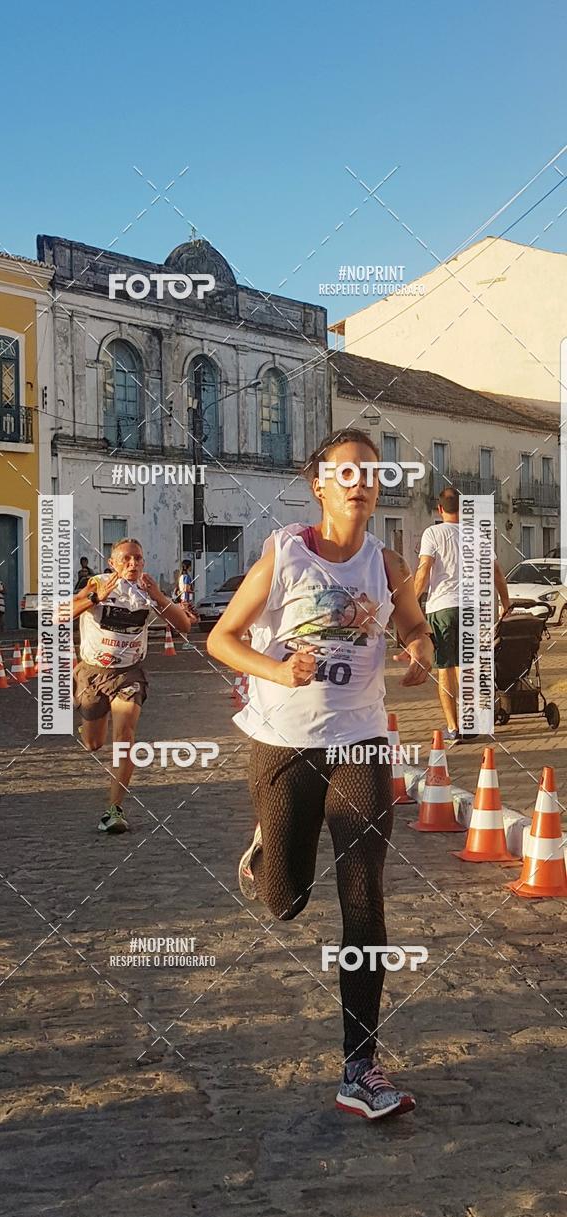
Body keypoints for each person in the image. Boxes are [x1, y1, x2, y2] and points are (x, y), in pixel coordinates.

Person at [207, 428, 434, 1121]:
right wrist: (279, 669)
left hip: (361, 740)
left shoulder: (387, 563)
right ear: (319, 483)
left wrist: (420, 652)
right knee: (286, 900)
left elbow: (416, 626)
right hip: (283, 741)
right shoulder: (285, 554)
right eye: (346, 471)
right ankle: (269, 845)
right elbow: (222, 637)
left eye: (371, 471)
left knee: (364, 893)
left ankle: (359, 1064)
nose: (361, 481)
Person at [68, 538, 197, 834]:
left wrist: (161, 598)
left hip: (129, 674)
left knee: (125, 738)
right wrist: (94, 599)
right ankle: (87, 721)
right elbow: (58, 615)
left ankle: (113, 810)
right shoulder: (96, 583)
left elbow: (184, 627)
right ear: (113, 563)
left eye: (138, 559)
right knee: (93, 744)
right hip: (93, 673)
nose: (133, 564)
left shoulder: (147, 590)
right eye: (126, 559)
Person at [414, 487, 510, 742]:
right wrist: (505, 601)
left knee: (445, 668)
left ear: (440, 509)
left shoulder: (433, 533)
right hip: (472, 608)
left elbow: (424, 571)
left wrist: (410, 603)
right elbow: (496, 572)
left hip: (442, 608)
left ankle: (454, 727)